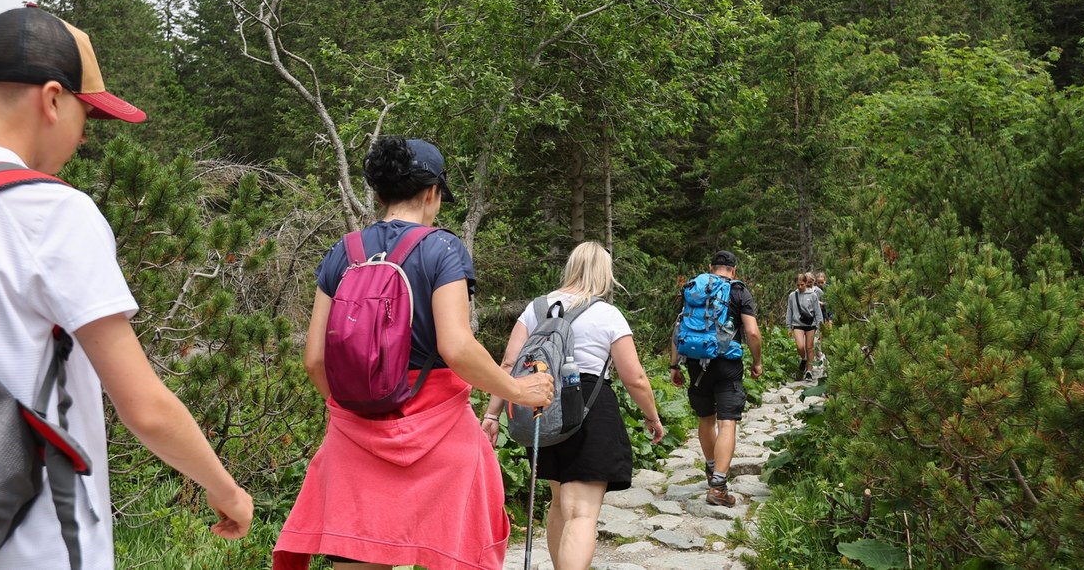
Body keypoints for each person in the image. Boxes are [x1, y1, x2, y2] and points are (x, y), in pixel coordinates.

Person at [0, 6, 253, 568]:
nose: (85, 136)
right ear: (53, 98)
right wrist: (225, 488)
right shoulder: (51, 210)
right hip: (34, 544)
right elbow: (144, 407)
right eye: (87, 114)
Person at [273, 137, 553, 570]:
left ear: (381, 193)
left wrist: (357, 412)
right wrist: (517, 390)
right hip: (442, 440)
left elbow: (314, 359)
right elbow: (457, 347)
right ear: (430, 193)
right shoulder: (442, 249)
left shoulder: (341, 254)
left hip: (353, 443)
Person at [481, 242, 664, 570]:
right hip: (590, 406)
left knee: (560, 504)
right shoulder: (607, 313)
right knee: (581, 512)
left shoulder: (535, 309)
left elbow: (508, 364)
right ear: (604, 274)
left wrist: (492, 415)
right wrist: (652, 416)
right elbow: (634, 376)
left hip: (542, 406)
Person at [669, 250, 762, 507]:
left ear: (711, 267)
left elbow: (679, 328)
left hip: (696, 364)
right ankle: (718, 486)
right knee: (727, 423)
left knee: (705, 420)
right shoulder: (739, 291)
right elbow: (752, 332)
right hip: (727, 365)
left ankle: (712, 470)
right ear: (734, 270)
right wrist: (757, 362)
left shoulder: (695, 289)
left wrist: (674, 365)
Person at [786, 272, 824, 380]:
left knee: (809, 347)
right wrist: (789, 326)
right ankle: (804, 358)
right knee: (800, 346)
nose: (800, 287)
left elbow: (817, 311)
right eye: (798, 285)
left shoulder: (813, 295)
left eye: (802, 284)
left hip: (810, 324)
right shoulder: (792, 296)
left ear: (805, 283)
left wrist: (820, 326)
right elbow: (789, 311)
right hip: (797, 324)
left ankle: (809, 371)